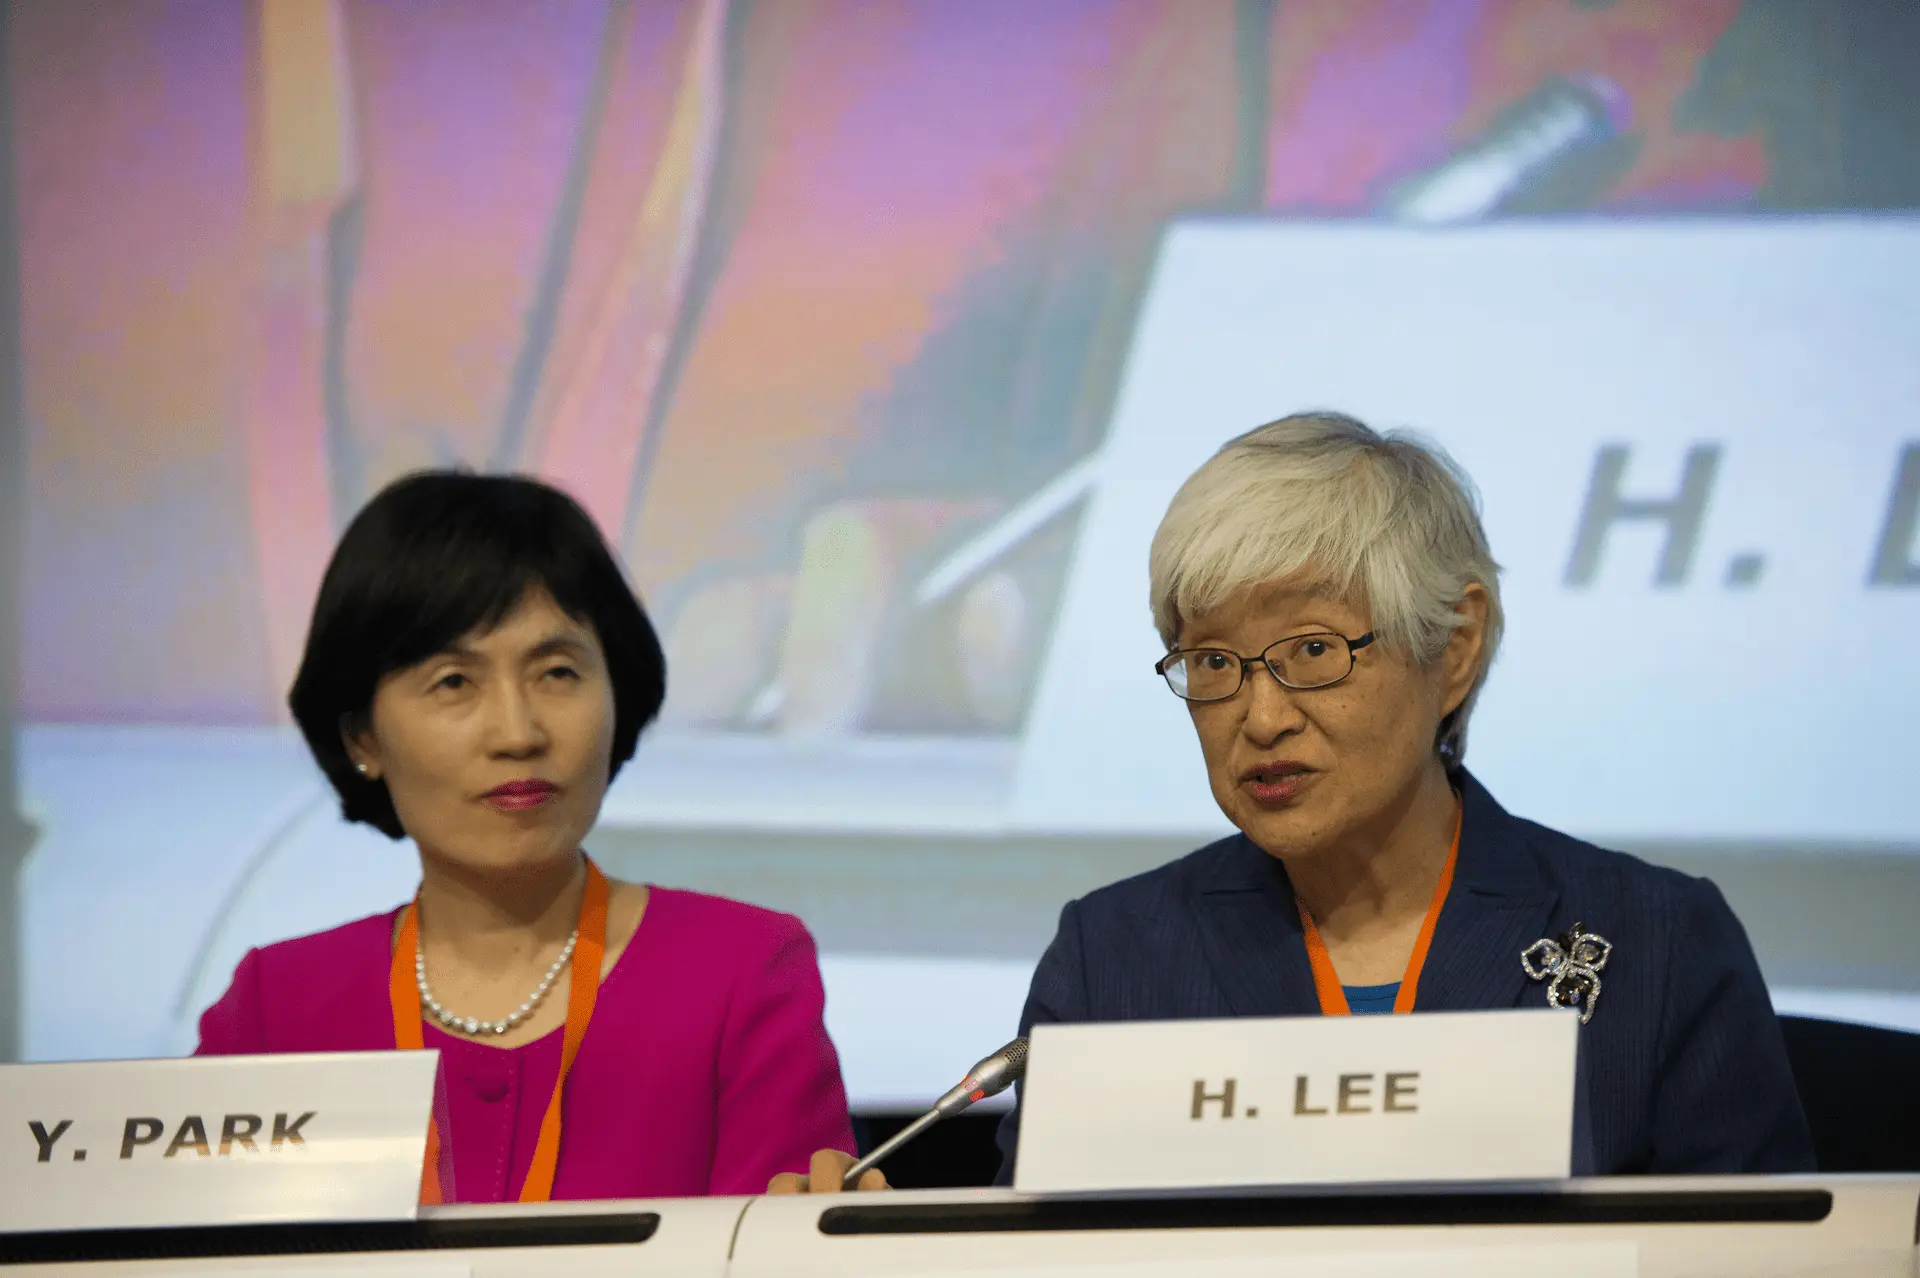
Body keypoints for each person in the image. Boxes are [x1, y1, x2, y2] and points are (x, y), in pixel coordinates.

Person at [982, 411, 1813, 1181]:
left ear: (1454, 648)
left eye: (1313, 650)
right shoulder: (1112, 959)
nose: (1262, 718)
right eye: (1213, 662)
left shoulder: (1658, 944)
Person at [196, 470, 861, 1201]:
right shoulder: (277, 1008)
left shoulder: (740, 974)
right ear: (363, 737)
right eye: (454, 682)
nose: (518, 733)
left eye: (557, 673)